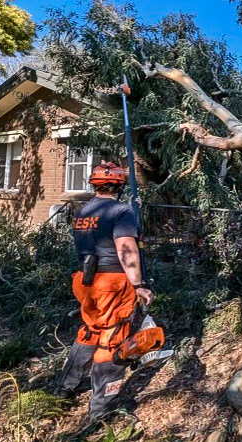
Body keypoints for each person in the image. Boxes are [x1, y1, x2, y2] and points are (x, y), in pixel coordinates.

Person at [56, 161, 153, 421]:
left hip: (85, 281)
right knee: (112, 338)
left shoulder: (84, 211)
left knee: (90, 331)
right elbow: (126, 249)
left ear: (95, 185)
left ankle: (65, 388)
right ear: (119, 186)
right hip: (114, 282)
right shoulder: (121, 211)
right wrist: (139, 285)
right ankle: (102, 409)